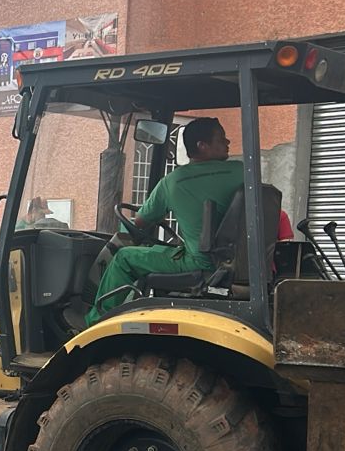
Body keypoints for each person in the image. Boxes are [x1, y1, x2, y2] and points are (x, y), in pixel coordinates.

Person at [86, 117, 247, 323]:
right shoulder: (241, 171)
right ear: (202, 146)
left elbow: (141, 223)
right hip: (235, 264)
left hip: (201, 263)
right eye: (221, 139)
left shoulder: (173, 181)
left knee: (124, 257)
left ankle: (95, 321)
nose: (228, 142)